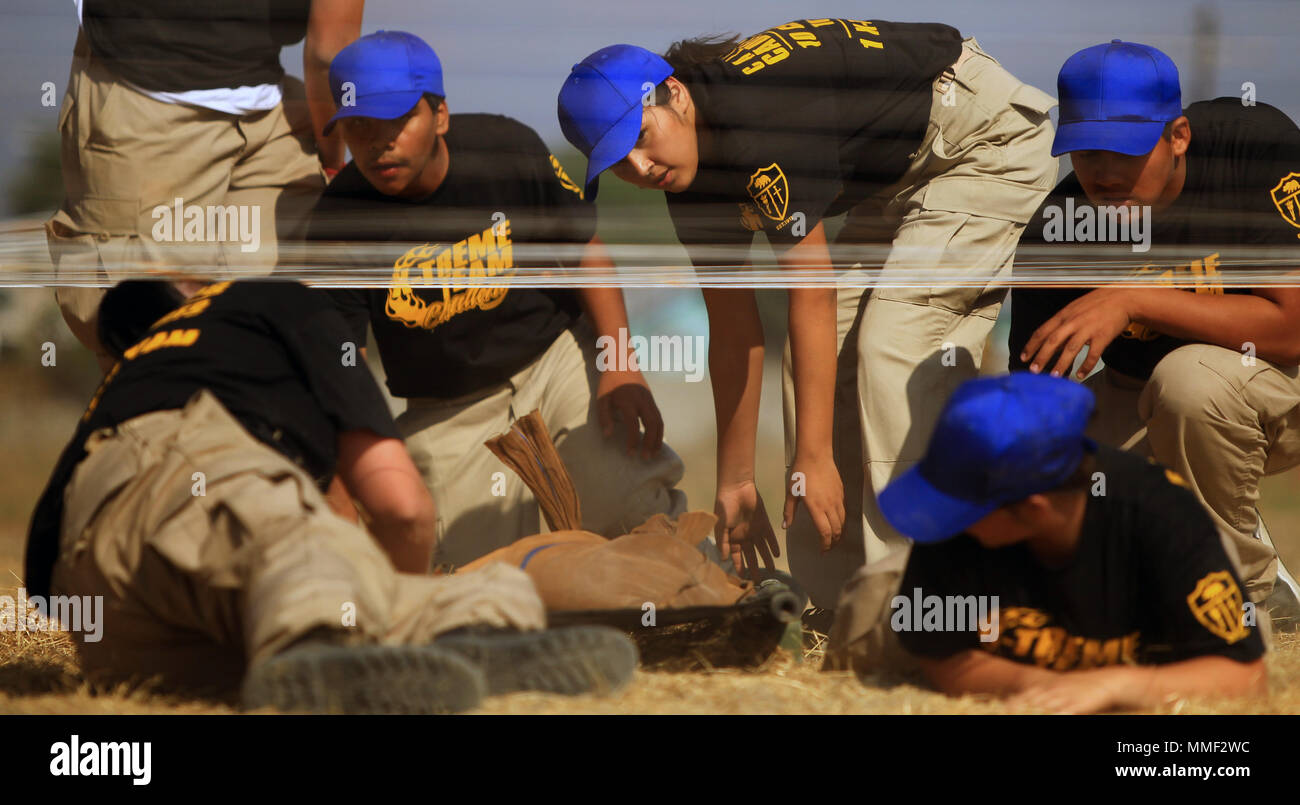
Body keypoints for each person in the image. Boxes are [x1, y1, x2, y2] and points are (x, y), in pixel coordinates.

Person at [556, 18, 1058, 606]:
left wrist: (814, 457)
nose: (639, 168)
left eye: (641, 136)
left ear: (675, 94)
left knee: (892, 344)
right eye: (618, 162)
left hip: (983, 139)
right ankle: (839, 608)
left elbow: (809, 291)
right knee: (824, 354)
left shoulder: (755, 119)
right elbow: (733, 324)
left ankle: (925, 597)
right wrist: (737, 479)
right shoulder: (688, 181)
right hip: (901, 177)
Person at [24, 278, 637, 713]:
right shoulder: (274, 304)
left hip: (129, 635)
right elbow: (402, 505)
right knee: (295, 535)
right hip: (186, 481)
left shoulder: (117, 391)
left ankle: (474, 629)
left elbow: (44, 572)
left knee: (475, 591)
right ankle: (340, 639)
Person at [306, 31, 687, 570]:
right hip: (446, 408)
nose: (377, 143)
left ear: (439, 116)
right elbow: (340, 361)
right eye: (358, 127)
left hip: (555, 362)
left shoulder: (503, 149)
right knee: (462, 578)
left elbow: (584, 250)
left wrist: (620, 366)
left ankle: (703, 610)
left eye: (395, 121)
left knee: (630, 509)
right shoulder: (338, 220)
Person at [1008, 40, 1300, 628]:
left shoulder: (1252, 149)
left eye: (1126, 150)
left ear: (1179, 137)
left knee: (1190, 380)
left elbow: (1293, 329)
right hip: (1153, 405)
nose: (1105, 173)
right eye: (1086, 152)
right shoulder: (1060, 228)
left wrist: (1135, 297)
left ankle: (1239, 603)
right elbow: (1035, 393)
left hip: (1278, 385)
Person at [828, 373, 1267, 714]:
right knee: (873, 598)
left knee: (1250, 627)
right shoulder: (954, 530)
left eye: (960, 511)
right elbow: (944, 656)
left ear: (1034, 508)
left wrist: (1113, 686)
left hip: (1150, 643)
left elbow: (1244, 674)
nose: (941, 522)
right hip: (1019, 656)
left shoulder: (1161, 515)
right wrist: (1036, 687)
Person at [47, 0, 364, 371]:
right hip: (147, 90)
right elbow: (331, 46)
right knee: (157, 342)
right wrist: (332, 154)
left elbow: (331, 48)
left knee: (207, 342)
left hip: (261, 100)